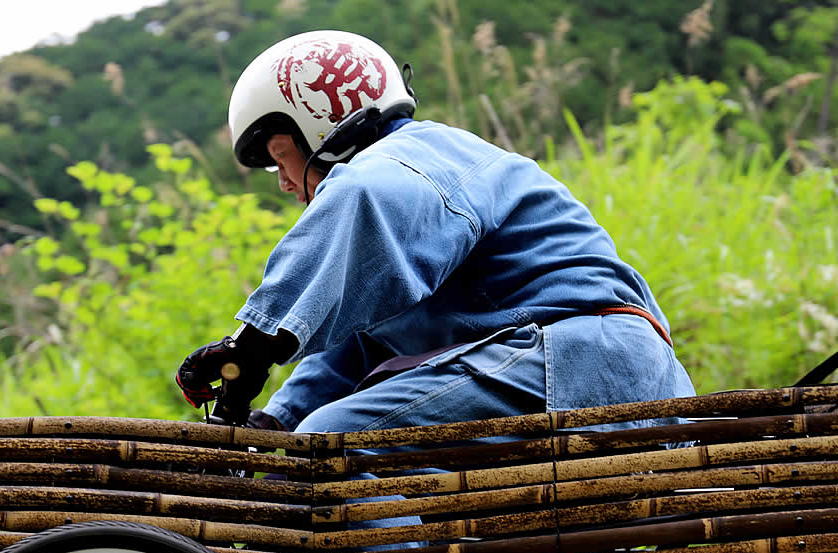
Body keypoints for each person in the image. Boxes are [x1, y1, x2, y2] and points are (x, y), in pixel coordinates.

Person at [176, 29, 695, 444]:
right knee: (329, 438)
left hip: (580, 360)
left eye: (280, 158)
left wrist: (251, 345)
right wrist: (279, 419)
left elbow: (363, 196)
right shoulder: (408, 210)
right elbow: (359, 347)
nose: (286, 182)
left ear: (320, 125)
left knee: (333, 447)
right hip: (591, 370)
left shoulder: (406, 164)